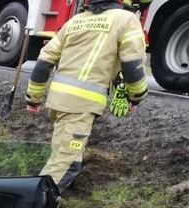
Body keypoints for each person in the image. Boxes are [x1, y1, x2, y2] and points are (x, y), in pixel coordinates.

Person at [25, 0, 148, 193]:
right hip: (81, 106)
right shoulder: (126, 19)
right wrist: (136, 96)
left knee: (69, 158)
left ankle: (44, 205)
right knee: (63, 166)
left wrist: (34, 97)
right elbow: (133, 64)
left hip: (58, 102)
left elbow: (43, 62)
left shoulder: (76, 20)